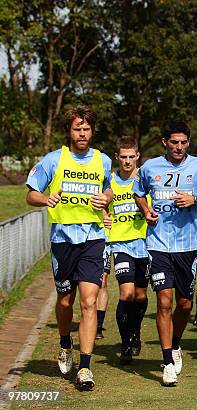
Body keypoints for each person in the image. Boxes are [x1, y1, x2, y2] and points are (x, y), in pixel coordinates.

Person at [26, 105, 112, 390]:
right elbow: (31, 194)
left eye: (87, 129)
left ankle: (85, 368)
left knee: (89, 301)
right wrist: (46, 199)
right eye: (78, 128)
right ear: (70, 131)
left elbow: (110, 188)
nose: (83, 133)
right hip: (63, 240)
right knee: (66, 301)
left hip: (93, 238)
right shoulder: (54, 159)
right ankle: (65, 343)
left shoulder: (103, 161)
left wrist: (106, 198)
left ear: (92, 131)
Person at [133, 121, 197, 386]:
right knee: (164, 301)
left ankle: (175, 344)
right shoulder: (149, 167)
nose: (179, 147)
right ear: (165, 142)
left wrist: (194, 200)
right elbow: (138, 194)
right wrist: (146, 211)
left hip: (188, 246)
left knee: (184, 303)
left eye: (184, 142)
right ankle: (167, 362)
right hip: (158, 244)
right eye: (174, 142)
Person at [104, 137, 150, 364]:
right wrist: (104, 217)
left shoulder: (146, 178)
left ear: (138, 156)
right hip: (120, 244)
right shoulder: (110, 181)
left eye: (131, 156)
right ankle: (125, 344)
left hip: (145, 244)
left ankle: (136, 332)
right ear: (117, 157)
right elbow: (100, 205)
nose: (128, 161)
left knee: (141, 296)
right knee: (127, 294)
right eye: (123, 156)